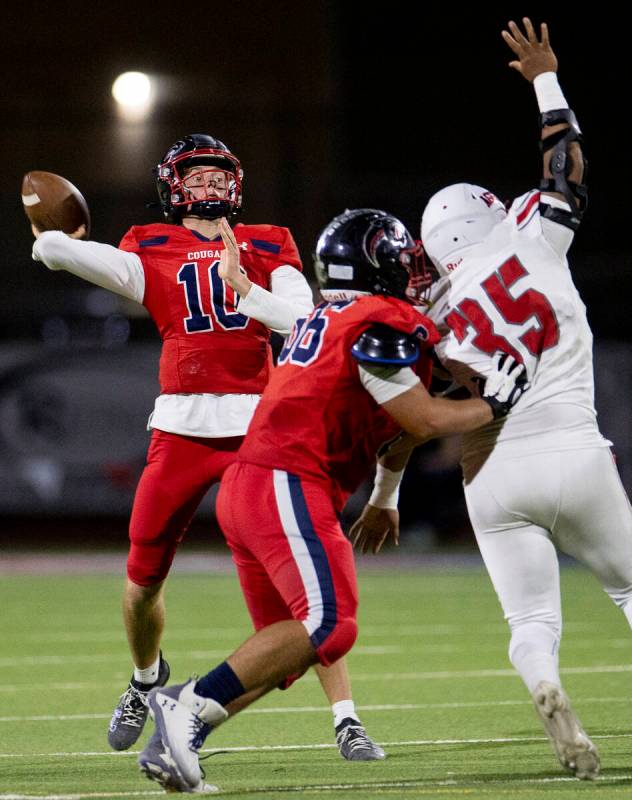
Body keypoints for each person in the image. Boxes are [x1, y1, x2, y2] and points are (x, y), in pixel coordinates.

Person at [136, 207, 529, 793]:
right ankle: (186, 706)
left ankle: (182, 737)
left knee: (290, 648)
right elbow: (421, 415)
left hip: (254, 485)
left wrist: (384, 496)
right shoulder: (377, 323)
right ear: (380, 265)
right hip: (287, 481)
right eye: (403, 260)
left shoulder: (332, 315)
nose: (414, 271)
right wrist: (495, 403)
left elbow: (398, 427)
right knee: (330, 625)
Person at [30, 133, 385, 761]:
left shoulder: (270, 240)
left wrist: (245, 288)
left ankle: (346, 717)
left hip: (262, 426)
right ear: (172, 186)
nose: (211, 186)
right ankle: (147, 680)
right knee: (142, 576)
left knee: (310, 576)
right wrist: (59, 234)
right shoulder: (149, 243)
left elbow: (301, 323)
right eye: (197, 176)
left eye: (220, 175)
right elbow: (57, 253)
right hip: (181, 427)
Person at [357, 18, 624, 781]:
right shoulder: (533, 235)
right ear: (490, 214)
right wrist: (546, 78)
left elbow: (406, 424)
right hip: (575, 448)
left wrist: (385, 496)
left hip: (490, 476)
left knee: (531, 621)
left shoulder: (432, 314)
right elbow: (565, 166)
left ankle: (545, 682)